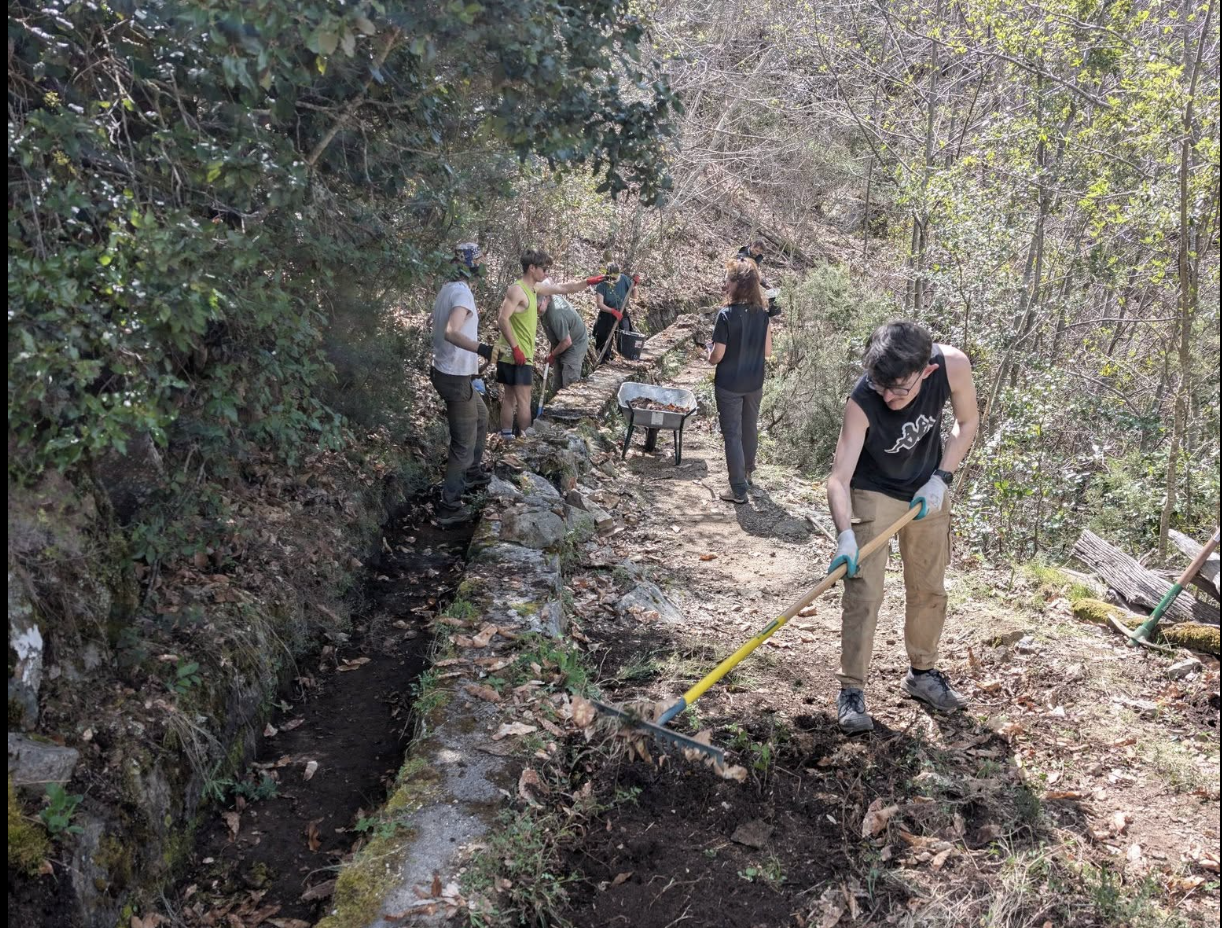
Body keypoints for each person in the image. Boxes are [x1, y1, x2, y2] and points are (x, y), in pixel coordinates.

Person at [825, 320, 979, 734]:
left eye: (899, 390)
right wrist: (845, 536)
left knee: (929, 587)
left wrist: (941, 479)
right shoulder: (862, 400)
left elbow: (967, 423)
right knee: (864, 592)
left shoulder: (952, 366)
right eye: (881, 388)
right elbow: (838, 478)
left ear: (926, 371)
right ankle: (852, 689)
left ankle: (922, 674)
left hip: (926, 490)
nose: (889, 398)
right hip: (872, 489)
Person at [496, 249, 602, 438]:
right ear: (532, 268)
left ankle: (508, 437)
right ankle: (524, 443)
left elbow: (564, 288)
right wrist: (516, 348)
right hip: (517, 353)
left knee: (511, 398)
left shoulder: (535, 289)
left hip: (515, 352)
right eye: (544, 269)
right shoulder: (517, 290)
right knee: (522, 399)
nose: (546, 273)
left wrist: (588, 282)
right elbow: (503, 319)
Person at [429, 242, 496, 526]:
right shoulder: (461, 293)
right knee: (462, 444)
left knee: (482, 415)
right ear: (472, 266)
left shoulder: (449, 288)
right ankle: (449, 506)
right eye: (480, 261)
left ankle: (472, 474)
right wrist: (484, 349)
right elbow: (451, 332)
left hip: (452, 372)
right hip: (454, 377)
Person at [707, 258, 773, 504]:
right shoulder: (762, 314)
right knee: (749, 427)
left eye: (727, 280)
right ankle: (746, 475)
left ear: (738, 284)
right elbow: (768, 351)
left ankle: (737, 489)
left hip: (729, 384)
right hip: (754, 382)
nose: (725, 284)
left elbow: (717, 356)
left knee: (732, 434)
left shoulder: (726, 315)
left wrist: (708, 354)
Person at [539, 288, 589, 391]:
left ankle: (571, 400)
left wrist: (552, 355)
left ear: (545, 298)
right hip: (561, 342)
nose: (537, 310)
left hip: (575, 343)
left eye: (538, 306)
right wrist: (553, 353)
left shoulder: (556, 314)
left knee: (570, 384)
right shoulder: (544, 306)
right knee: (558, 383)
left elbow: (567, 342)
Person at [591, 263, 636, 358]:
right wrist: (613, 311)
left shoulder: (624, 279)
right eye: (611, 277)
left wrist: (635, 285)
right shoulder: (602, 284)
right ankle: (604, 359)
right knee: (604, 337)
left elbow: (634, 296)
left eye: (615, 277)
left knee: (625, 334)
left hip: (622, 311)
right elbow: (600, 304)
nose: (613, 280)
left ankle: (625, 357)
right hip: (607, 313)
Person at [736, 239, 782, 319]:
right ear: (751, 246)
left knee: (772, 296)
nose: (757, 253)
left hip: (751, 282)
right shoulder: (742, 256)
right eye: (756, 250)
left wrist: (766, 284)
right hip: (740, 283)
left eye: (759, 252)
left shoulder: (756, 258)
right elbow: (749, 272)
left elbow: (756, 273)